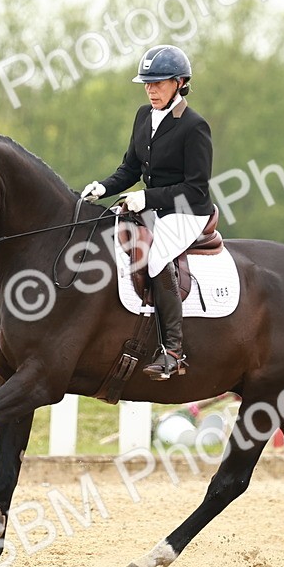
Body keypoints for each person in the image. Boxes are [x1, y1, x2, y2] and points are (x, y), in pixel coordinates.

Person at [81, 45, 213, 380]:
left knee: (154, 258)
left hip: (187, 211)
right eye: (147, 83)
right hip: (153, 206)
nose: (150, 89)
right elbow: (129, 169)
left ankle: (173, 351)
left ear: (180, 82)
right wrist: (103, 187)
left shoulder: (195, 126)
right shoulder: (144, 115)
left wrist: (146, 198)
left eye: (159, 83)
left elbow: (196, 187)